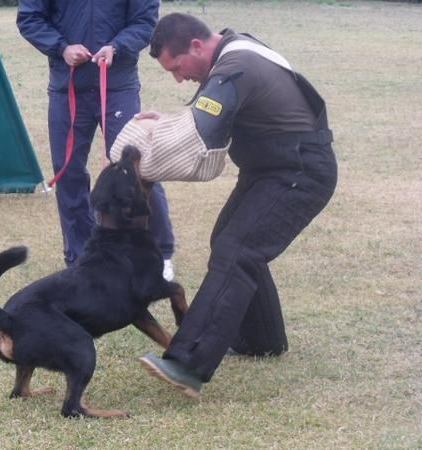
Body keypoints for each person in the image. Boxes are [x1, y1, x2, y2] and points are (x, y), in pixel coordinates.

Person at [116, 13, 338, 397]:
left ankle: (188, 362)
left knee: (239, 250)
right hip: (272, 168)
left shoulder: (235, 65)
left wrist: (137, 159)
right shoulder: (234, 51)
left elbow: (194, 137)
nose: (179, 77)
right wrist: (166, 119)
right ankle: (262, 340)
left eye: (177, 66)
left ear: (198, 46)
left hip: (299, 171)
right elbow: (206, 118)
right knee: (229, 241)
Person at [16, 0, 175, 279]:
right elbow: (30, 17)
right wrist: (61, 47)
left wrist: (116, 46)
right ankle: (81, 257)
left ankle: (160, 253)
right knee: (68, 172)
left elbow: (145, 21)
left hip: (117, 84)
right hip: (68, 86)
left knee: (139, 169)